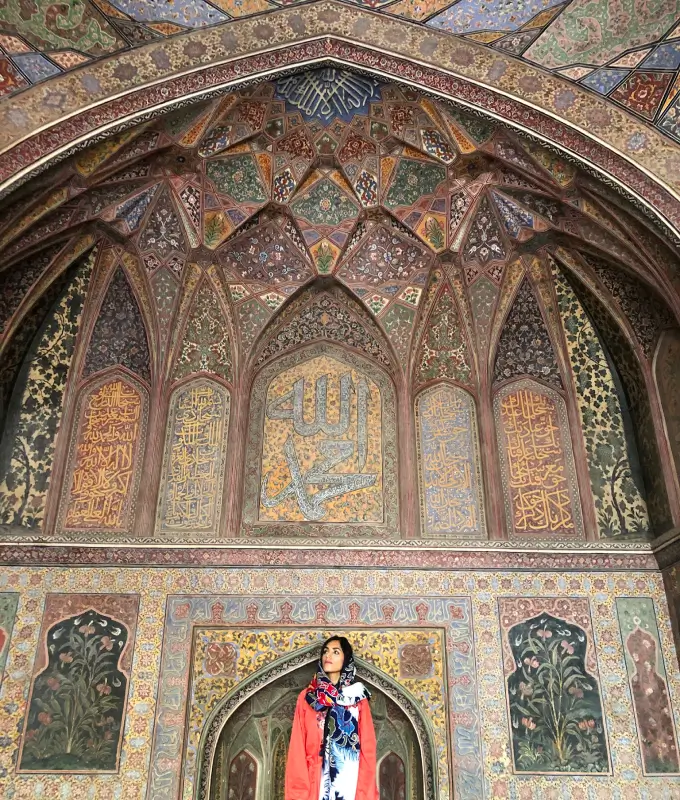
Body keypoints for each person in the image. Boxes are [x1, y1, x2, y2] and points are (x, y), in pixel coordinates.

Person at [285, 636, 378, 800]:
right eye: (325, 651)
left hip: (350, 782)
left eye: (336, 652)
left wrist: (365, 793)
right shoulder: (308, 697)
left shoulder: (357, 698)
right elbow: (297, 748)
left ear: (346, 659)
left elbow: (367, 750)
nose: (328, 656)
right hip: (315, 781)